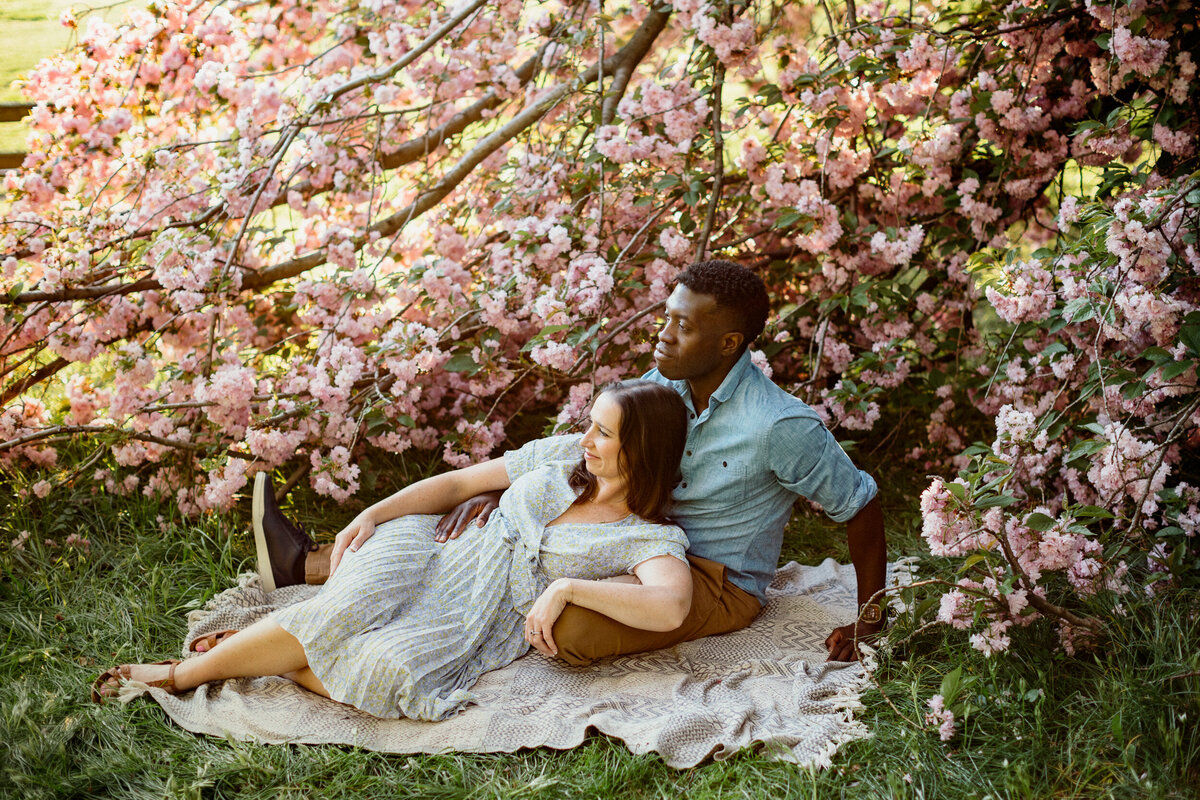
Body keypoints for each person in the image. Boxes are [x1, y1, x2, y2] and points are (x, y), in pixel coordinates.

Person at [259, 260, 888, 663]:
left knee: (570, 633)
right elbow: (595, 449)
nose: (662, 336)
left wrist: (869, 619)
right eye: (664, 319)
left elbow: (861, 506)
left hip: (707, 579)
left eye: (682, 328)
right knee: (468, 523)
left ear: (729, 344)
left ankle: (371, 637)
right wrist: (510, 495)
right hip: (619, 533)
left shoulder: (780, 427)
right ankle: (315, 573)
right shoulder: (664, 384)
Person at [91, 380, 694, 719]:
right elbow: (462, 484)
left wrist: (566, 587)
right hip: (436, 547)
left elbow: (670, 605)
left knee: (393, 674)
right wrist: (373, 513)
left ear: (639, 450)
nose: (584, 438)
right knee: (340, 613)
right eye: (589, 423)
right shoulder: (561, 457)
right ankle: (178, 674)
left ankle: (263, 649)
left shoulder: (646, 533)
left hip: (474, 614)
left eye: (603, 432)